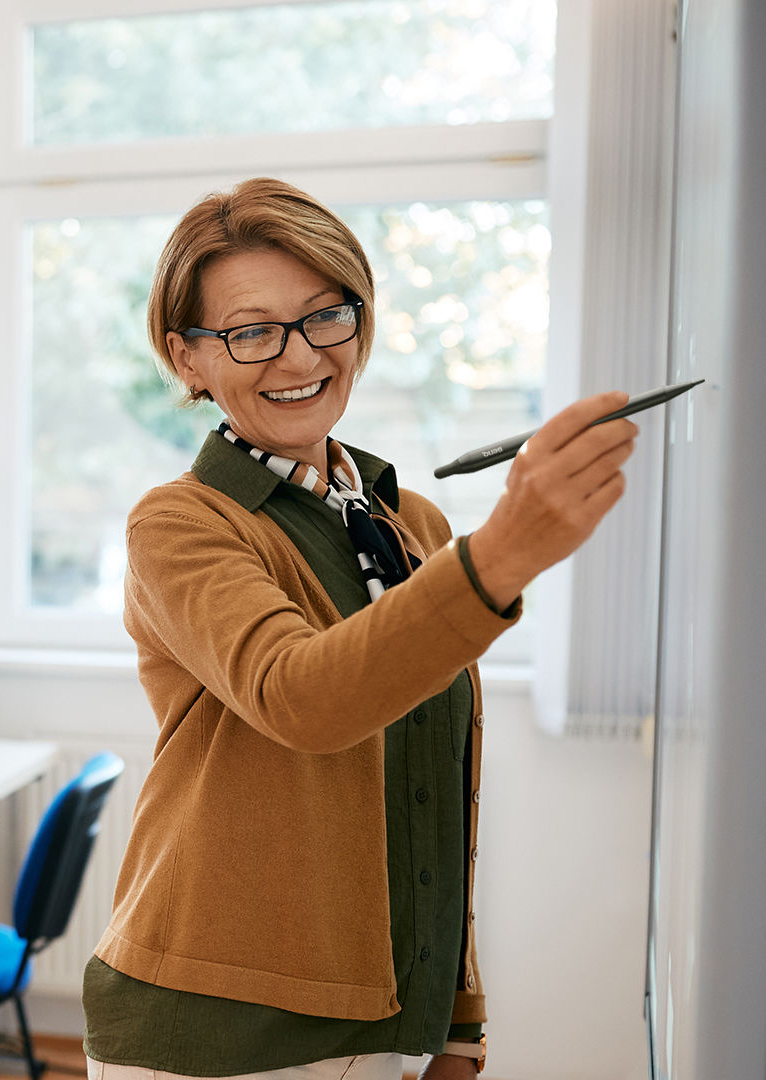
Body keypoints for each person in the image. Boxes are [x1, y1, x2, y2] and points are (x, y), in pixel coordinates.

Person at [82, 178, 638, 1080]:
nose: (299, 356)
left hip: (384, 1027)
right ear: (189, 360)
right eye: (251, 331)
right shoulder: (181, 524)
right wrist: (501, 554)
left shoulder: (405, 521)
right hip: (216, 1039)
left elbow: (432, 777)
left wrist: (459, 1019)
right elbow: (304, 698)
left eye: (325, 317)